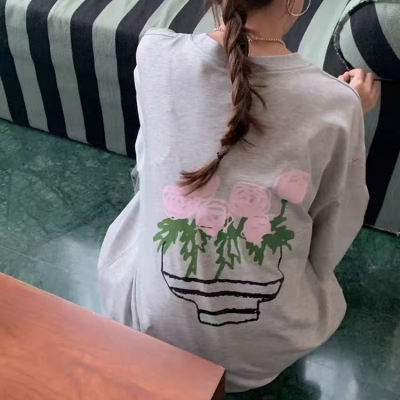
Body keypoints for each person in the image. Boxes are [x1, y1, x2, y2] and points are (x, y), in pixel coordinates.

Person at [98, 0, 380, 394]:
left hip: (151, 321)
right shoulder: (334, 102)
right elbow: (337, 224)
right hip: (267, 349)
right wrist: (349, 111)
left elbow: (146, 167)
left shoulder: (154, 52)